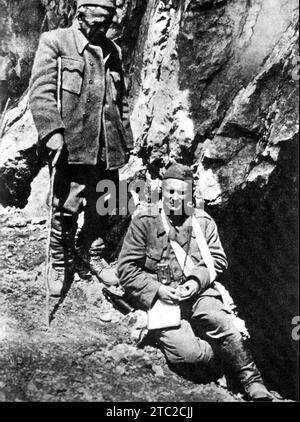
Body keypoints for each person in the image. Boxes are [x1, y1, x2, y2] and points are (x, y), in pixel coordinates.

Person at [118, 163, 273, 401]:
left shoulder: (202, 222)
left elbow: (218, 259)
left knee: (221, 321)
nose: (175, 198)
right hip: (161, 299)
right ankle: (223, 361)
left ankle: (253, 382)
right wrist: (158, 290)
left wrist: (195, 281)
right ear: (162, 191)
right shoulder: (145, 221)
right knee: (190, 354)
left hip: (197, 292)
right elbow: (126, 269)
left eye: (182, 193)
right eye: (170, 192)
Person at [29, 0, 133, 296]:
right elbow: (41, 93)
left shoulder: (114, 50)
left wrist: (126, 139)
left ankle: (94, 255)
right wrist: (52, 132)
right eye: (98, 22)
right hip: (73, 145)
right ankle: (59, 261)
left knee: (105, 202)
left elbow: (120, 100)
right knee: (66, 206)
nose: (103, 28)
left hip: (108, 145)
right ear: (80, 15)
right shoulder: (55, 42)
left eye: (108, 22)